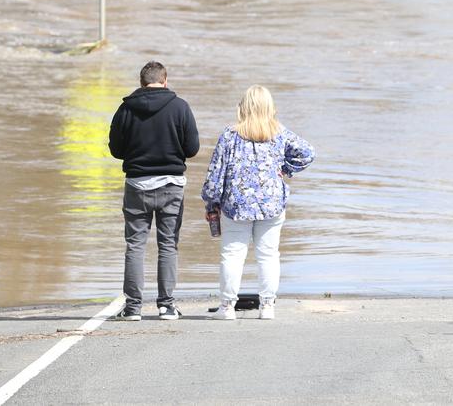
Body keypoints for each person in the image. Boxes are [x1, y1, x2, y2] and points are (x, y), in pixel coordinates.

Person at [201, 85, 314, 320]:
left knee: (232, 255)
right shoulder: (279, 132)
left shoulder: (230, 134)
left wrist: (211, 201)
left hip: (236, 203)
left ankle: (227, 307)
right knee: (269, 255)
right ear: (269, 107)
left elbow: (215, 174)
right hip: (271, 202)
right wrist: (285, 169)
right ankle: (267, 306)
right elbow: (308, 153)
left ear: (244, 107)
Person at [109, 61, 199, 321]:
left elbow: (115, 150)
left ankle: (133, 308)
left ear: (141, 82)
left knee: (135, 246)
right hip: (172, 185)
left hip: (137, 184)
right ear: (165, 80)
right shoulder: (180, 107)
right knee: (168, 245)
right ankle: (167, 306)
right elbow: (192, 148)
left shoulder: (126, 109)